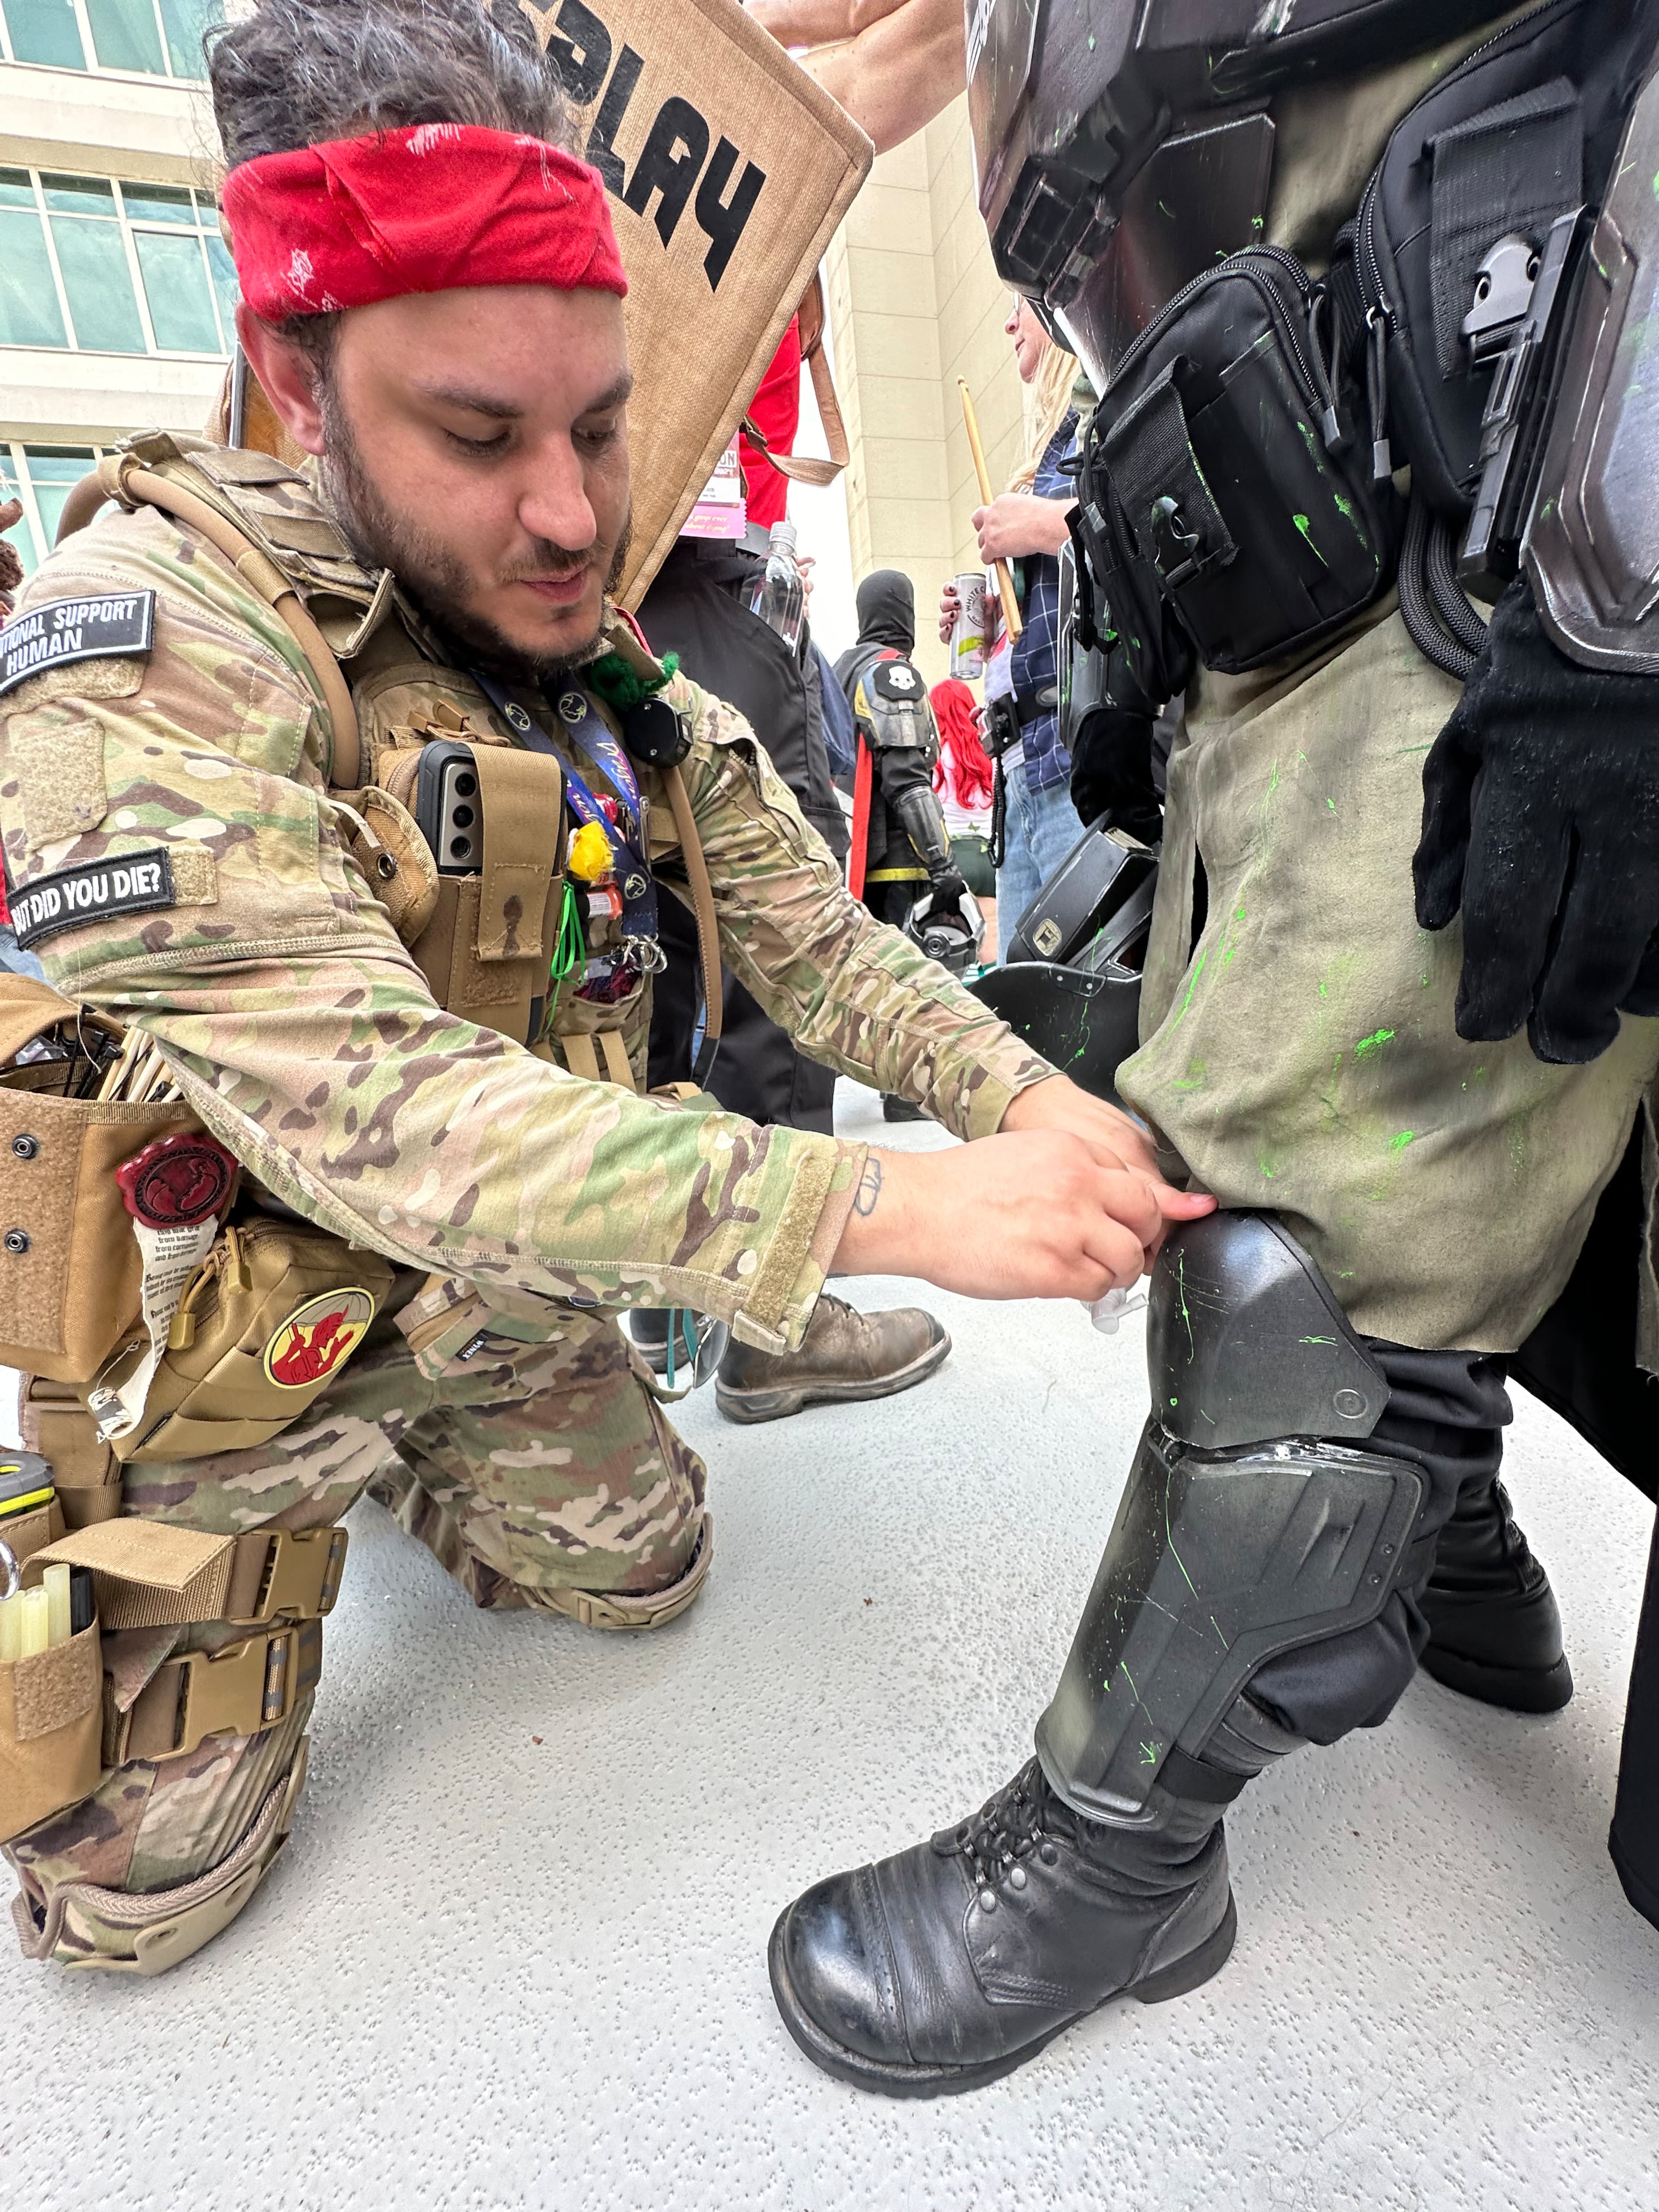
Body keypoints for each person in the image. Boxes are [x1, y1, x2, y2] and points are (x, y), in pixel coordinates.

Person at [0, 0, 1212, 1977]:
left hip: (494, 1281)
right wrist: (891, 1209)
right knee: (131, 1897)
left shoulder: (572, 631)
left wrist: (1018, 1102)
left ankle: (429, 1444)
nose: (571, 509)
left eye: (599, 423)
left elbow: (812, 937)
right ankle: (242, 1515)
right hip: (237, 1319)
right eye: (479, 433)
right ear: (295, 387)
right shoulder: (149, 642)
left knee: (644, 1564)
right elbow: (383, 1111)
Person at [769, 0, 1659, 2094]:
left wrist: (1624, 583)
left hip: (1530, 442)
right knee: (1358, 1114)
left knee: (1291, 1240)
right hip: (1342, 466)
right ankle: (1443, 1532)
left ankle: (1120, 1845)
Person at [638, 522, 953, 1423]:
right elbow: (804, 944)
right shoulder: (876, 668)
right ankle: (779, 1320)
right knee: (763, 952)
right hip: (699, 571)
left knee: (658, 939)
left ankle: (675, 1295)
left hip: (643, 577)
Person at [940, 302, 1080, 946]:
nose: (1008, 325)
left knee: (1085, 995)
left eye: (1019, 307)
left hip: (1069, 763)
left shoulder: (1092, 421)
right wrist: (995, 620)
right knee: (1025, 1004)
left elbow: (1145, 522)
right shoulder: (1047, 444)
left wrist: (1047, 526)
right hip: (1020, 768)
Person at [929, 675, 996, 962]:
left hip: (954, 858)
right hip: (989, 856)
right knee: (992, 940)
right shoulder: (989, 752)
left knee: (954, 947)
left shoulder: (935, 757)